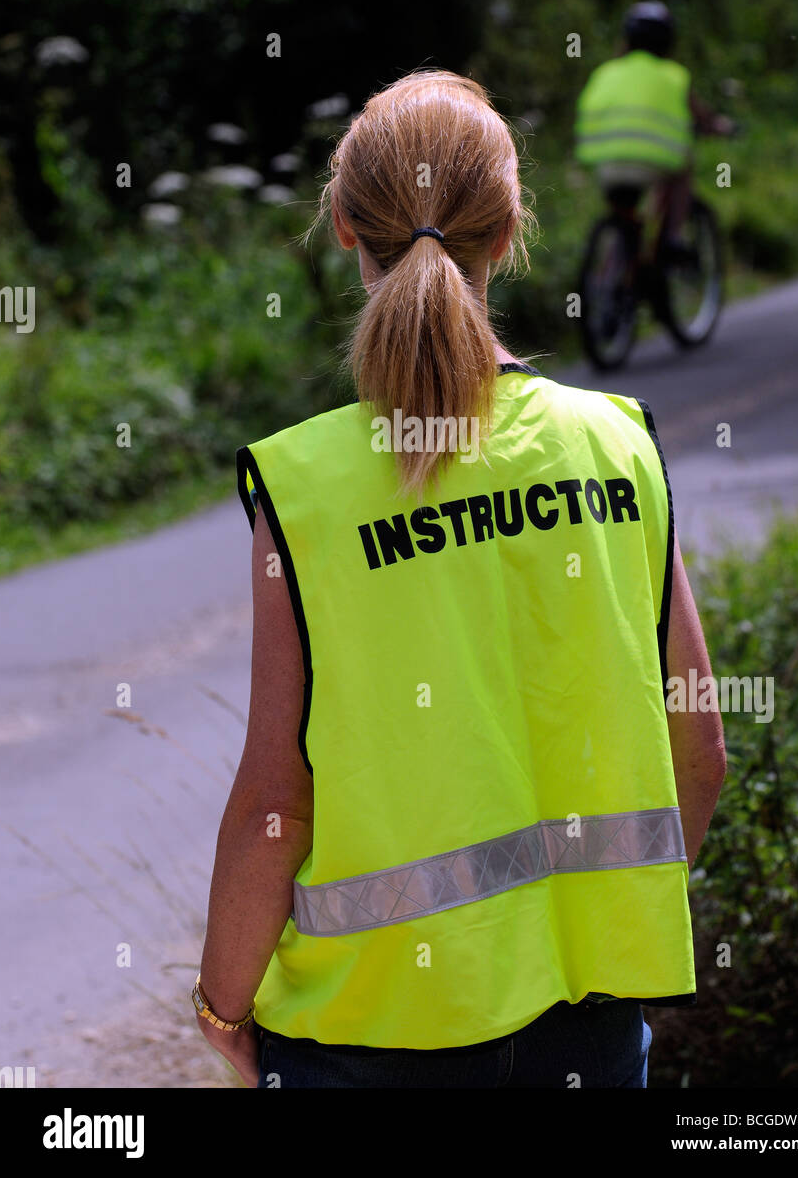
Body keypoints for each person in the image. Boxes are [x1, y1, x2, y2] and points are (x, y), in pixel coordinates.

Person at [194, 69, 726, 1089]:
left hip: (363, 1040)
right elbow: (694, 752)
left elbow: (277, 802)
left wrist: (223, 1001)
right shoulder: (613, 447)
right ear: (507, 228)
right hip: (584, 1027)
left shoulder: (302, 486)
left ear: (345, 227)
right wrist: (585, 933)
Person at [575, 0, 734, 252]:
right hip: (653, 162)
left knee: (625, 217)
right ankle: (672, 236)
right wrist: (720, 127)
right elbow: (702, 117)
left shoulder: (606, 72)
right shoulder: (674, 75)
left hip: (604, 161)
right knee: (681, 169)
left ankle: (611, 272)